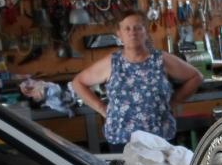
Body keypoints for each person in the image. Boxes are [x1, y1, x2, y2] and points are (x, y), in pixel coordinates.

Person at [72, 12, 203, 152]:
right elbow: (78, 82)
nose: (132, 32)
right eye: (127, 28)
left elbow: (196, 77)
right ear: (119, 34)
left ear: (146, 31)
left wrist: (174, 101)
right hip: (122, 139)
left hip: (159, 138)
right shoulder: (112, 63)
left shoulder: (161, 59)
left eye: (138, 28)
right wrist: (101, 108)